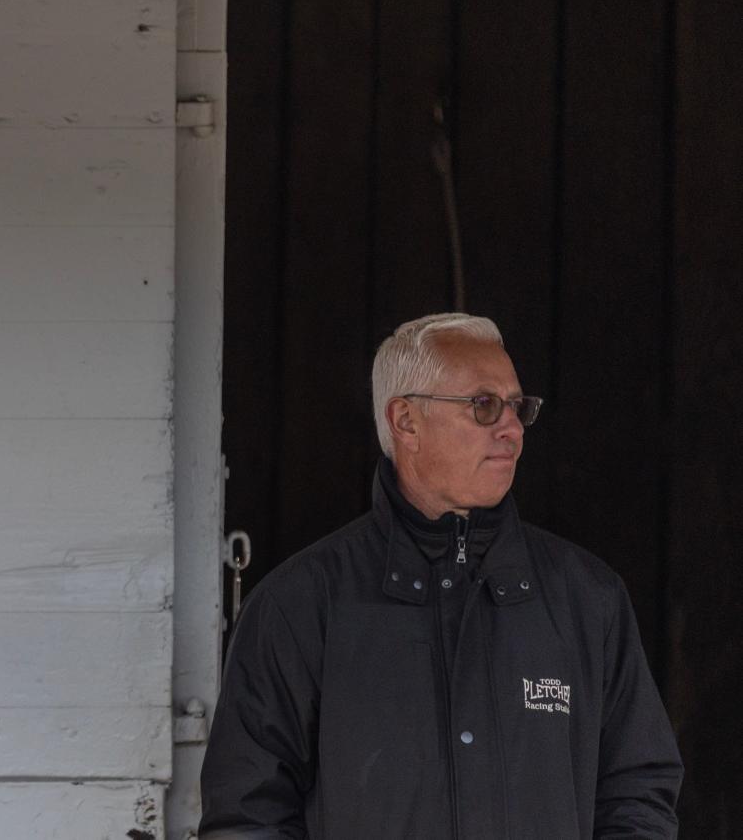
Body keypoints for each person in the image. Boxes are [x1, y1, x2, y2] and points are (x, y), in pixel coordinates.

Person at [199, 313, 682, 838]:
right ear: (406, 421)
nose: (513, 428)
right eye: (484, 405)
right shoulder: (300, 605)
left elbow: (638, 790)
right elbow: (247, 817)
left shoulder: (589, 600)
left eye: (518, 407)